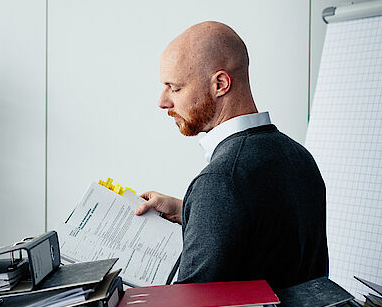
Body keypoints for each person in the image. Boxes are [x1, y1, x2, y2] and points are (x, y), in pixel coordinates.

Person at [134, 21, 328, 289]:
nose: (162, 101)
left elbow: (191, 306)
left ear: (221, 84)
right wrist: (188, 210)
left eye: (175, 88)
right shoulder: (299, 156)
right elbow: (266, 236)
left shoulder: (220, 181)